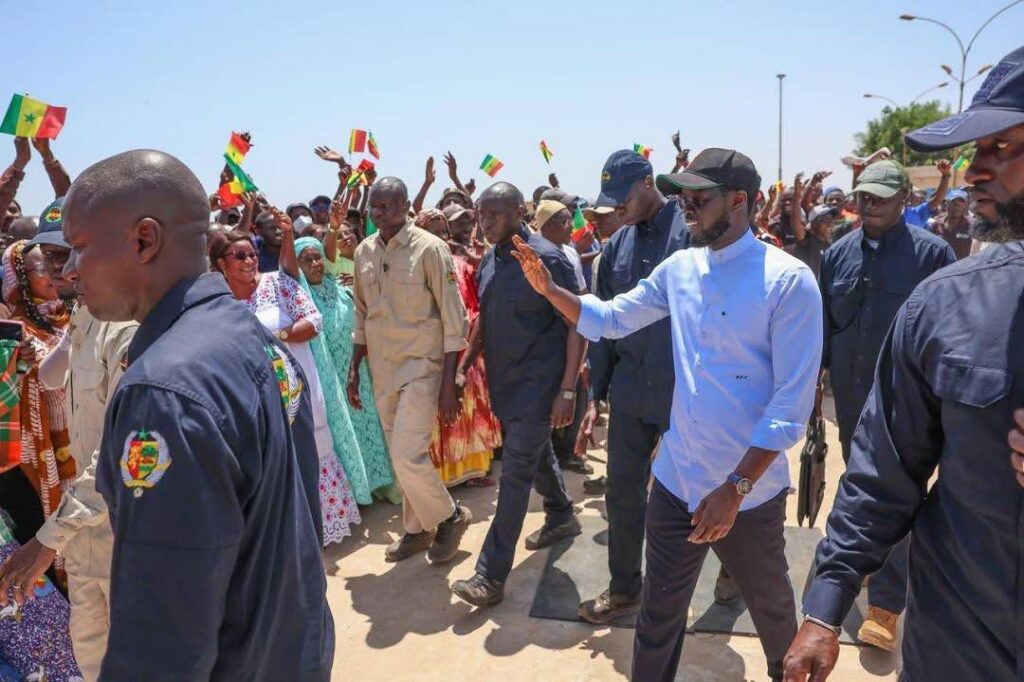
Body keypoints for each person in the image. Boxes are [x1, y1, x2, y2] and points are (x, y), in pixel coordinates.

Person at [512, 149, 822, 682]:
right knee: (658, 616)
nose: (687, 208)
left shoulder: (788, 282)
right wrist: (551, 290)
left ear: (740, 201)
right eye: (683, 198)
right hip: (678, 481)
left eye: (699, 198)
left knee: (775, 618)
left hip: (747, 495)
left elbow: (789, 409)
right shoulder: (680, 269)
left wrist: (735, 490)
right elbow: (612, 319)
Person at [784, 45, 1024, 682]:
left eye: (1002, 146)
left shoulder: (928, 256)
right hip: (955, 640)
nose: (975, 170)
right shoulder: (946, 301)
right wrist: (825, 605)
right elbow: (883, 474)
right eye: (975, 150)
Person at [56, 149, 334, 679]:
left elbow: (163, 637)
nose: (69, 269)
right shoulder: (246, 333)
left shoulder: (163, 390)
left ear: (144, 240)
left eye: (79, 247)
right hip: (291, 648)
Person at [818, 158, 955, 650]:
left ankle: (885, 605)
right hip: (852, 400)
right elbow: (825, 326)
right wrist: (813, 386)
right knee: (863, 488)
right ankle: (862, 568)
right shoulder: (837, 254)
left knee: (896, 490)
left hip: (908, 400)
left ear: (905, 199)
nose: (868, 204)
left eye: (880, 196)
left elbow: (951, 328)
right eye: (863, 195)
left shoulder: (933, 255)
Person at [0, 203, 136, 682]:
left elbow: (120, 457)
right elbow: (51, 378)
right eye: (52, 257)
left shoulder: (128, 328)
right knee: (94, 656)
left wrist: (45, 542)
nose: (63, 269)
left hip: (121, 530)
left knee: (140, 655)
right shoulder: (82, 317)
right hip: (81, 535)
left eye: (71, 254)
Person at [450, 182, 585, 607]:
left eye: (494, 215)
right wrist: (465, 364)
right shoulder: (490, 259)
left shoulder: (547, 258)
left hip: (540, 386)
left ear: (520, 213)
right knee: (533, 452)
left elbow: (577, 323)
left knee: (515, 474)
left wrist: (567, 389)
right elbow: (485, 317)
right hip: (505, 385)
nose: (485, 222)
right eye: (481, 214)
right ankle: (561, 514)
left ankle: (489, 576)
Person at [576, 150, 691, 625]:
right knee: (622, 492)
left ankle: (730, 570)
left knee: (697, 492)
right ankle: (625, 587)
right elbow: (604, 324)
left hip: (685, 396)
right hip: (629, 393)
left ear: (648, 182)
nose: (616, 207)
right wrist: (595, 398)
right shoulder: (616, 247)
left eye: (622, 197)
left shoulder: (691, 234)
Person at [211, 226, 360, 545]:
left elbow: (314, 320)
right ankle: (289, 536)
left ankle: (321, 526)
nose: (250, 260)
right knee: (273, 461)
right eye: (240, 256)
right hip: (254, 399)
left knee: (311, 451)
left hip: (298, 390)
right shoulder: (218, 303)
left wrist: (277, 337)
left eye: (252, 254)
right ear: (221, 264)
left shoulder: (278, 283)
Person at [351, 177, 472, 563]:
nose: (377, 213)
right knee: (400, 453)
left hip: (422, 366)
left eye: (386, 206)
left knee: (407, 453)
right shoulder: (364, 252)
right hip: (383, 369)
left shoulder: (430, 248)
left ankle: (451, 516)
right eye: (374, 206)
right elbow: (361, 313)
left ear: (405, 206)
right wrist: (354, 368)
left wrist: (450, 381)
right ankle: (417, 530)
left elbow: (454, 319)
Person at [287, 217, 398, 505]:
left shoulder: (342, 289)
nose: (315, 264)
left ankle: (380, 484)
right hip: (329, 382)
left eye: (318, 257)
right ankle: (357, 493)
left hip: (358, 372)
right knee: (343, 434)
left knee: (370, 425)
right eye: (306, 260)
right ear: (296, 265)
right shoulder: (298, 301)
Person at [0, 239, 73, 580]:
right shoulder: (12, 331)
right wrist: (17, 363)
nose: (55, 270)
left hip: (83, 447)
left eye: (62, 258)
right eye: (42, 266)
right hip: (37, 463)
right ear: (20, 277)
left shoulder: (76, 314)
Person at [414, 208, 501, 487]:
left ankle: (471, 472)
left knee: (467, 410)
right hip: (429, 354)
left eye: (443, 233)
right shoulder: (411, 269)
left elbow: (477, 306)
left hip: (465, 351)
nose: (440, 239)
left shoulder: (461, 266)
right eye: (433, 233)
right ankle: (441, 479)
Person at [1, 138, 71, 234]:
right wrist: (20, 160)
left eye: (13, 210)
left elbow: (65, 203)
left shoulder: (50, 238)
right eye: (2, 211)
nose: (8, 215)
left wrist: (47, 154)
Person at [785, 174, 836, 278]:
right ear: (815, 223)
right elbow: (796, 225)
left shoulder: (830, 245)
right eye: (827, 220)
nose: (831, 224)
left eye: (832, 220)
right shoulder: (807, 241)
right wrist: (797, 194)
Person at [902, 159, 951, 228]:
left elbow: (937, 200)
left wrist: (945, 175)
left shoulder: (917, 213)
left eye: (907, 191)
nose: (906, 195)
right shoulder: (888, 215)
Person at [933, 188, 974, 259]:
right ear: (946, 204)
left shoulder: (971, 225)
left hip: (962, 264)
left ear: (965, 206)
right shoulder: (937, 224)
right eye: (954, 204)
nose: (957, 208)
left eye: (960, 205)